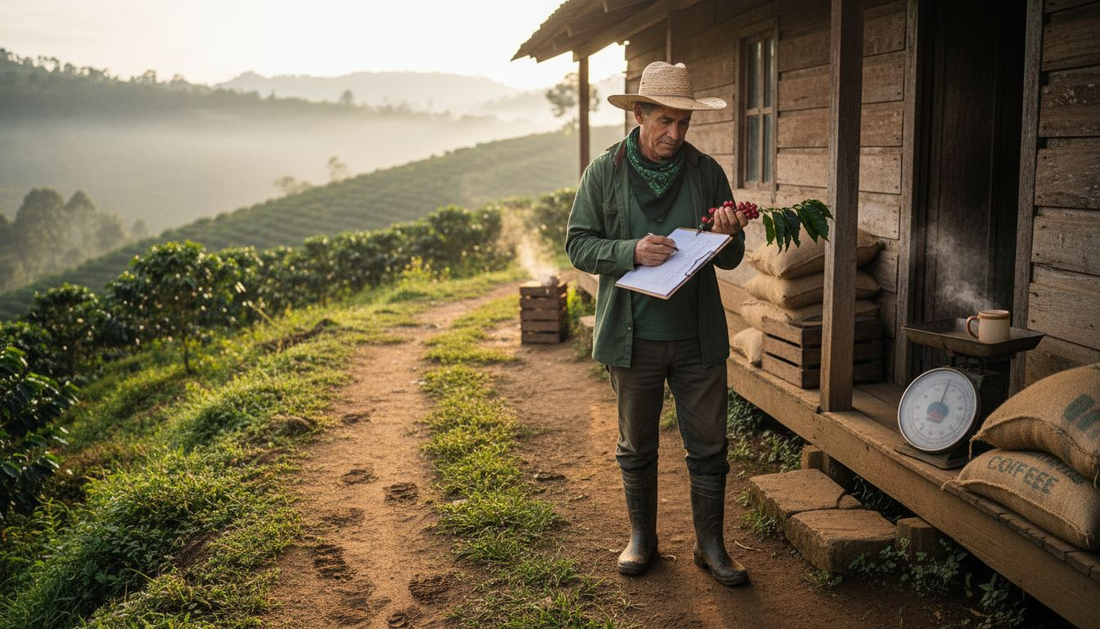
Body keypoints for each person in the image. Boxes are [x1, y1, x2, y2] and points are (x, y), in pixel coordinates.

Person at [565, 61, 750, 586]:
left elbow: (729, 260)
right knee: (636, 445)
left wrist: (730, 235)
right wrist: (630, 250)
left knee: (710, 447)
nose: (675, 134)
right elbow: (578, 243)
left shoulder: (706, 172)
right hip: (634, 338)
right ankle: (642, 539)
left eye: (683, 123)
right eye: (665, 121)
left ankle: (710, 546)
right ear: (640, 113)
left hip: (696, 337)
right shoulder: (604, 172)